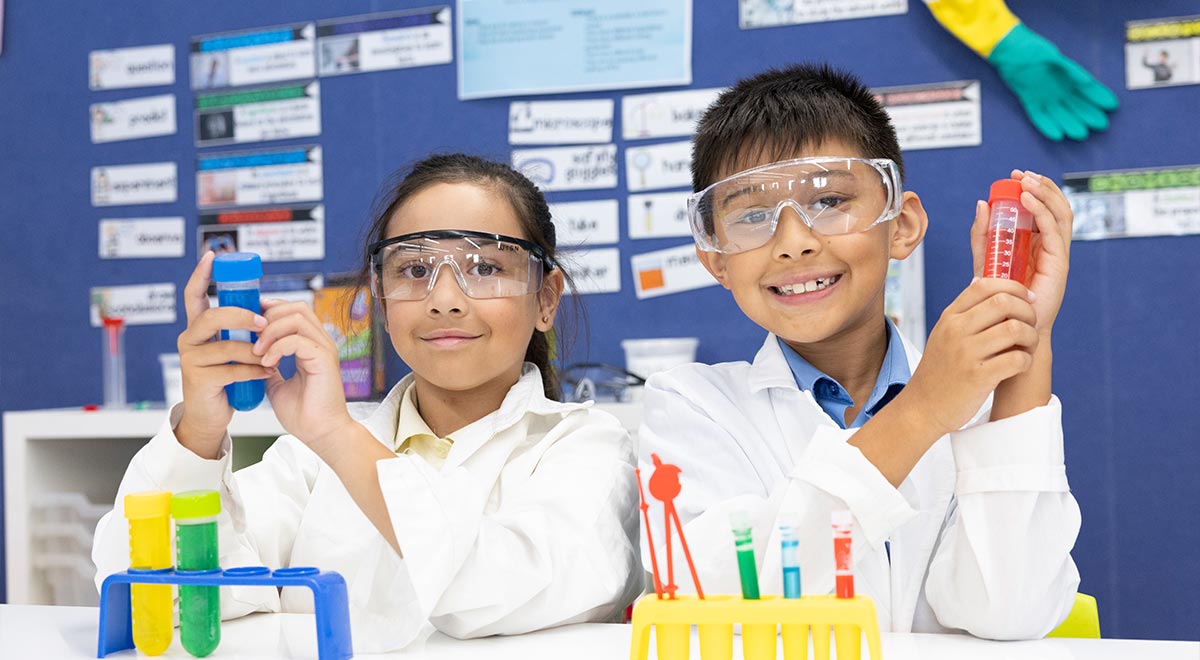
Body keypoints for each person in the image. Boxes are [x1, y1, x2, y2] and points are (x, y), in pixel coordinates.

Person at [93, 153, 642, 651]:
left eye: (486, 267)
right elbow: (152, 592)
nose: (445, 300)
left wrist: (338, 437)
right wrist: (200, 431)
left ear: (545, 299)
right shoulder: (309, 463)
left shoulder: (587, 449)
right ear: (381, 301)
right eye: (414, 269)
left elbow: (495, 587)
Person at [638, 64, 1081, 640]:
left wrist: (1027, 340)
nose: (794, 242)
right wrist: (920, 412)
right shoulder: (692, 408)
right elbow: (714, 595)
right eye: (751, 215)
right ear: (717, 259)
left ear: (901, 226)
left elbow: (1009, 613)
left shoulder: (985, 408)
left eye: (829, 200)